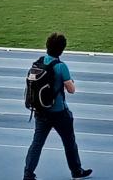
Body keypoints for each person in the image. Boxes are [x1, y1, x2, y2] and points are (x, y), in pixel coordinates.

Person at [23, 33, 92, 180]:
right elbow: (71, 90)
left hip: (41, 112)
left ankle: (28, 174)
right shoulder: (61, 66)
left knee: (37, 144)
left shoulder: (38, 62)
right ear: (62, 50)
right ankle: (76, 171)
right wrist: (70, 81)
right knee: (69, 142)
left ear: (47, 46)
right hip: (59, 112)